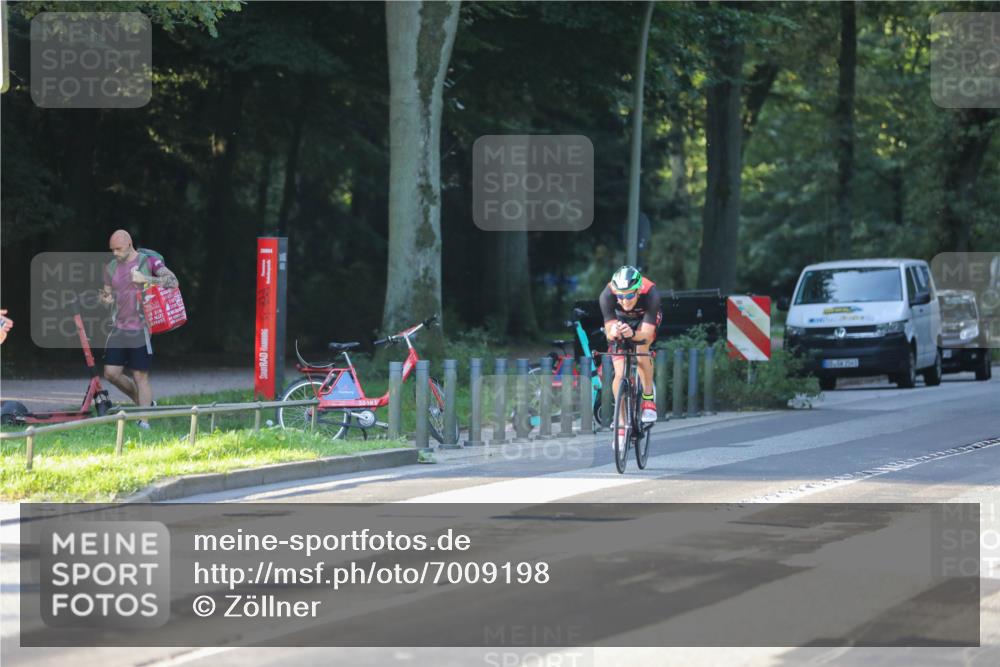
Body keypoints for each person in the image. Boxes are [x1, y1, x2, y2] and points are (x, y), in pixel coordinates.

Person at [99, 230, 178, 428]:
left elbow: (173, 282)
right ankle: (146, 404)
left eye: (118, 249)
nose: (115, 253)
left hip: (141, 328)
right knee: (110, 373)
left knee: (140, 375)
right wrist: (105, 299)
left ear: (129, 244)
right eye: (112, 250)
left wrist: (147, 279)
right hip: (118, 328)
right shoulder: (110, 267)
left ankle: (144, 422)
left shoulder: (148, 262)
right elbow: (106, 294)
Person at [599, 266, 662, 443]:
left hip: (644, 321)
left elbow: (647, 335)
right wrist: (615, 331)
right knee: (619, 373)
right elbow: (609, 333)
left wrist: (633, 335)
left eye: (629, 295)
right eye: (620, 296)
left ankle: (648, 400)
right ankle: (620, 421)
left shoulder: (651, 294)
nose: (624, 301)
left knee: (641, 349)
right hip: (620, 320)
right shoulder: (607, 296)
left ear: (638, 290)